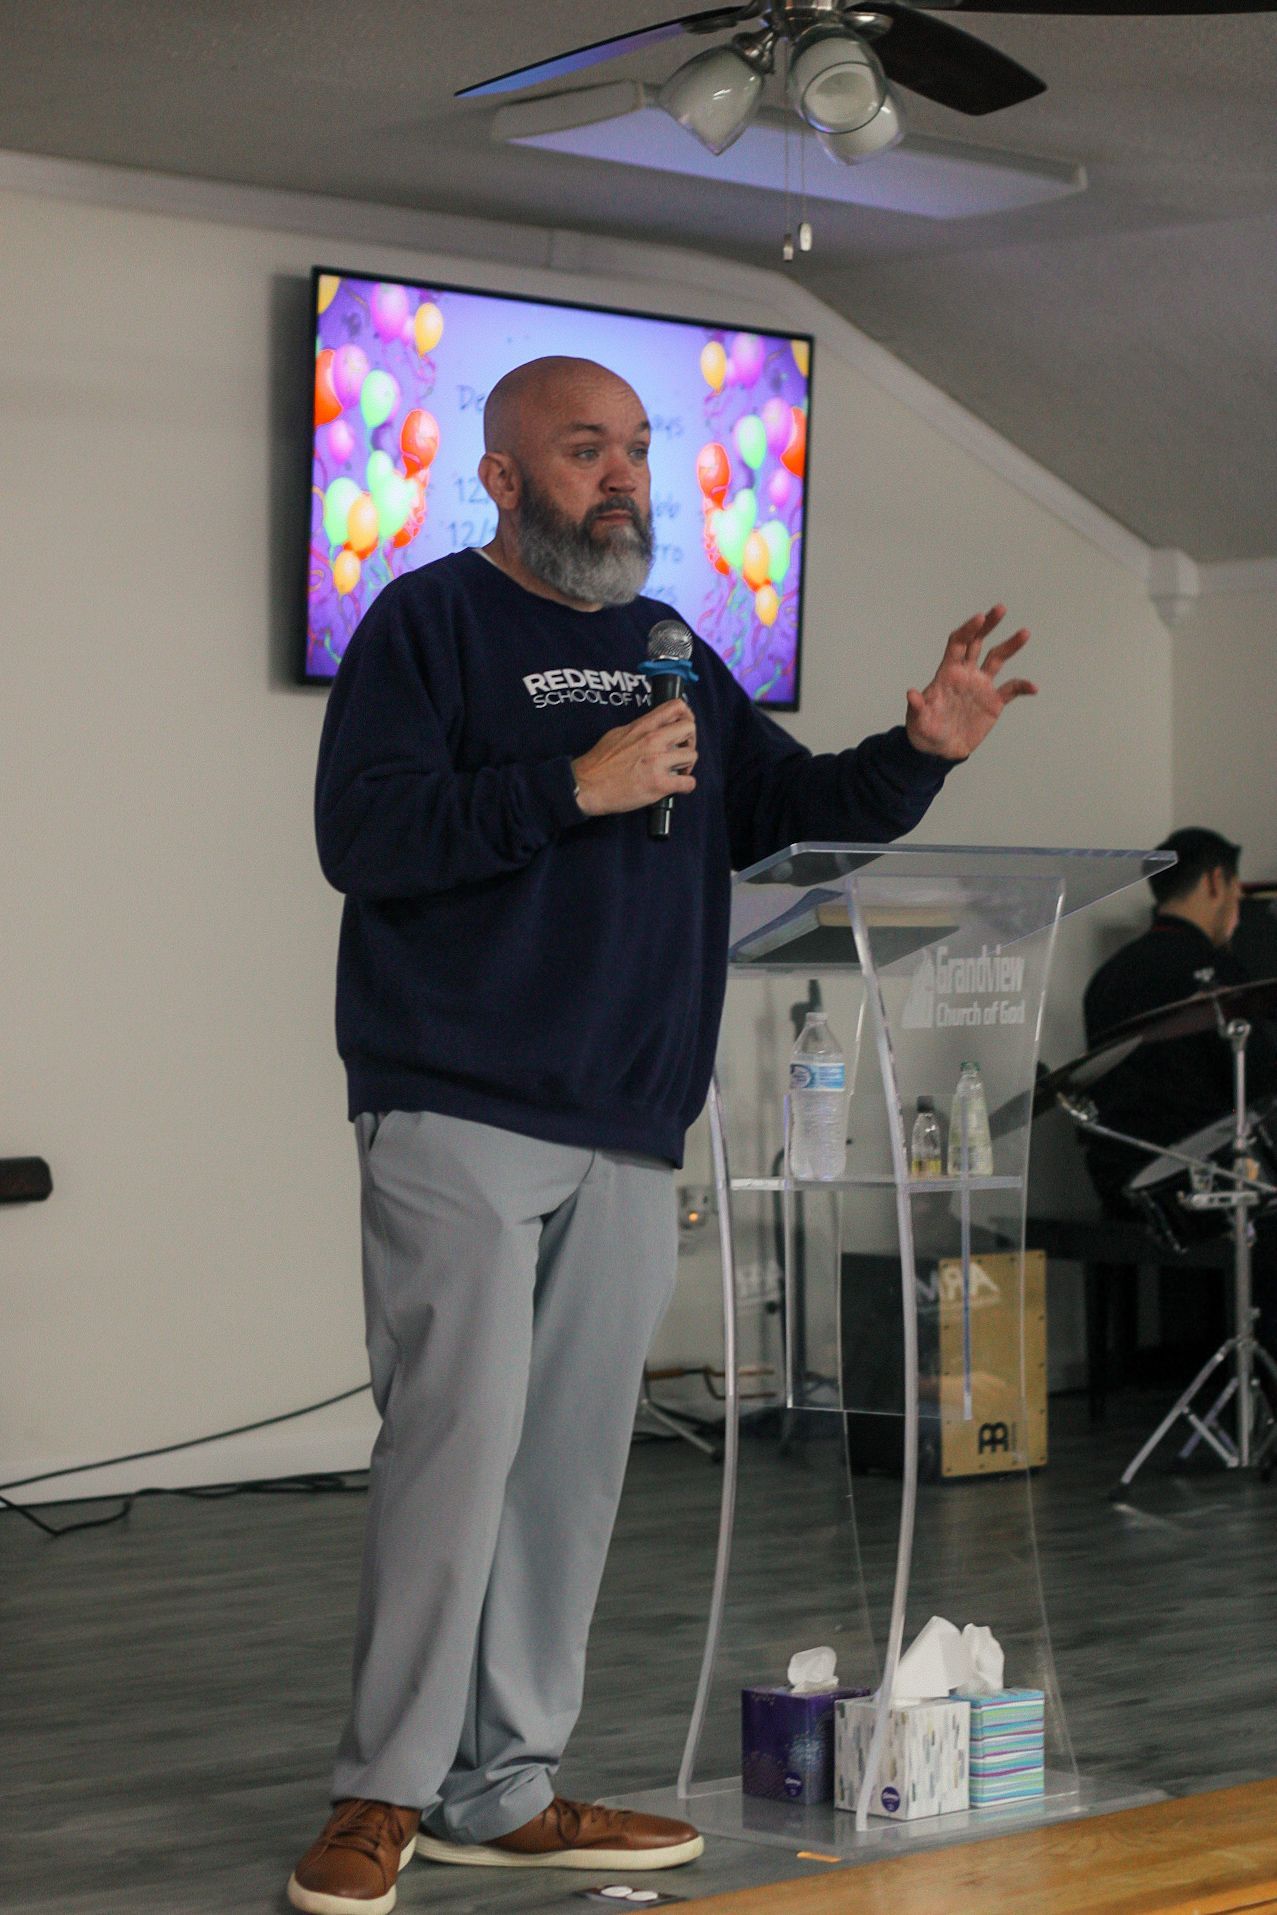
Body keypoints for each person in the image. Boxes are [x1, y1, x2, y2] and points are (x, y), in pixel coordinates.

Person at [287, 355, 1036, 1914]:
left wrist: (925, 750)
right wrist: (572, 785)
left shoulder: (671, 645)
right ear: (499, 476)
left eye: (636, 448)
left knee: (565, 1468)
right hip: (459, 1100)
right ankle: (383, 1788)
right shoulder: (425, 624)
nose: (622, 475)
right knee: (454, 1447)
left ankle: (504, 1788)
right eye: (584, 450)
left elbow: (787, 803)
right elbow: (362, 837)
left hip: (631, 1117)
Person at [1082, 827, 1277, 1211]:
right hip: (1203, 1184)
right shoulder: (1218, 973)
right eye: (1238, 895)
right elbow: (1260, 1078)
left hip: (1119, 1182)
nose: (1237, 917)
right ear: (1215, 881)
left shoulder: (1106, 977)